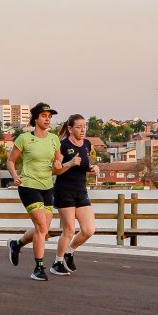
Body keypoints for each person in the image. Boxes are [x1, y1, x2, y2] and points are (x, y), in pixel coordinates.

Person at [6, 103, 62, 281]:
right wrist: (15, 175)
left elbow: (58, 160)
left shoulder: (54, 139)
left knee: (44, 229)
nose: (47, 119)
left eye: (49, 116)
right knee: (41, 227)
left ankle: (16, 244)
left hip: (47, 186)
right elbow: (10, 161)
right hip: (28, 185)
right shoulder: (23, 138)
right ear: (36, 119)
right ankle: (38, 267)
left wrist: (58, 163)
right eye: (44, 116)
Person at [50, 114, 99, 276]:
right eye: (78, 127)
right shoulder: (63, 145)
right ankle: (57, 262)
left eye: (84, 126)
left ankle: (69, 252)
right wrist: (69, 163)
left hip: (81, 191)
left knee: (89, 229)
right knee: (69, 230)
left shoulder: (87, 144)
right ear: (70, 129)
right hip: (64, 191)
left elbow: (84, 164)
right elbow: (55, 170)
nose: (83, 129)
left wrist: (92, 168)